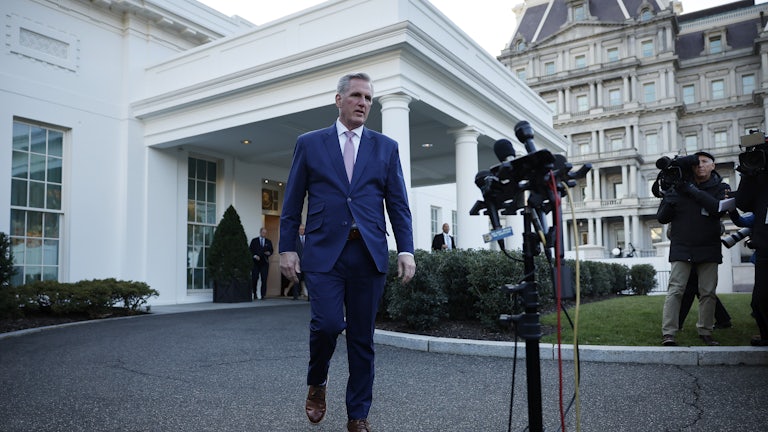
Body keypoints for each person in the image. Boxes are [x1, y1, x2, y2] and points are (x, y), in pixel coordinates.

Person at [279, 73, 416, 432]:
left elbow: (398, 204)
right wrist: (287, 249)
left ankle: (358, 416)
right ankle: (318, 381)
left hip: (368, 253)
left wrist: (406, 249)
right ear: (338, 100)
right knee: (326, 325)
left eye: (369, 98)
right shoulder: (310, 143)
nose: (363, 103)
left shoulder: (385, 147)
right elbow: (293, 201)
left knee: (361, 338)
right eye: (356, 95)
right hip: (324, 252)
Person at [657, 151, 730, 346]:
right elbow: (662, 217)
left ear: (713, 165)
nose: (700, 166)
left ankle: (705, 331)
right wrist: (670, 198)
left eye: (705, 162)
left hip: (708, 246)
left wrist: (690, 189)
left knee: (707, 291)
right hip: (682, 246)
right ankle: (669, 333)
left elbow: (716, 208)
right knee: (675, 290)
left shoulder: (721, 187)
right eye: (697, 163)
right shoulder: (678, 186)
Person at [735, 165, 768, 346]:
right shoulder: (760, 180)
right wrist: (748, 174)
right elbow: (742, 203)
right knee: (759, 301)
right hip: (764, 249)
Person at [249, 227, 273, 300]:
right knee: (255, 278)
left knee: (264, 279)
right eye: (263, 233)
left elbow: (271, 250)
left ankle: (263, 295)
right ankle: (255, 294)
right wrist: (255, 256)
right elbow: (250, 250)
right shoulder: (254, 241)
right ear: (260, 232)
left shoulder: (268, 241)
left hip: (264, 263)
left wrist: (269, 253)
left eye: (265, 233)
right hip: (256, 263)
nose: (264, 234)